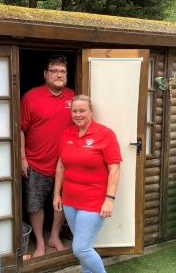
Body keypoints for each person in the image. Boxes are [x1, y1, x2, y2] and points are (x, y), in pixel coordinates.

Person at [53, 95, 122, 273]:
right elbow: (60, 166)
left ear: (91, 111)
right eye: (74, 111)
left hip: (93, 201)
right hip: (69, 200)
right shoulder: (67, 134)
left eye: (82, 110)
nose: (78, 114)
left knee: (81, 248)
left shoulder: (105, 134)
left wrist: (109, 199)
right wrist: (56, 195)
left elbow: (114, 169)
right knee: (83, 247)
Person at [20, 54, 74, 257]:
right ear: (45, 74)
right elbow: (21, 129)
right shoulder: (30, 97)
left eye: (62, 71)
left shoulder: (73, 97)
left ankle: (54, 236)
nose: (59, 75)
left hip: (66, 164)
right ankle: (40, 243)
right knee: (35, 205)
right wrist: (22, 159)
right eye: (54, 71)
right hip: (36, 163)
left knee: (62, 203)